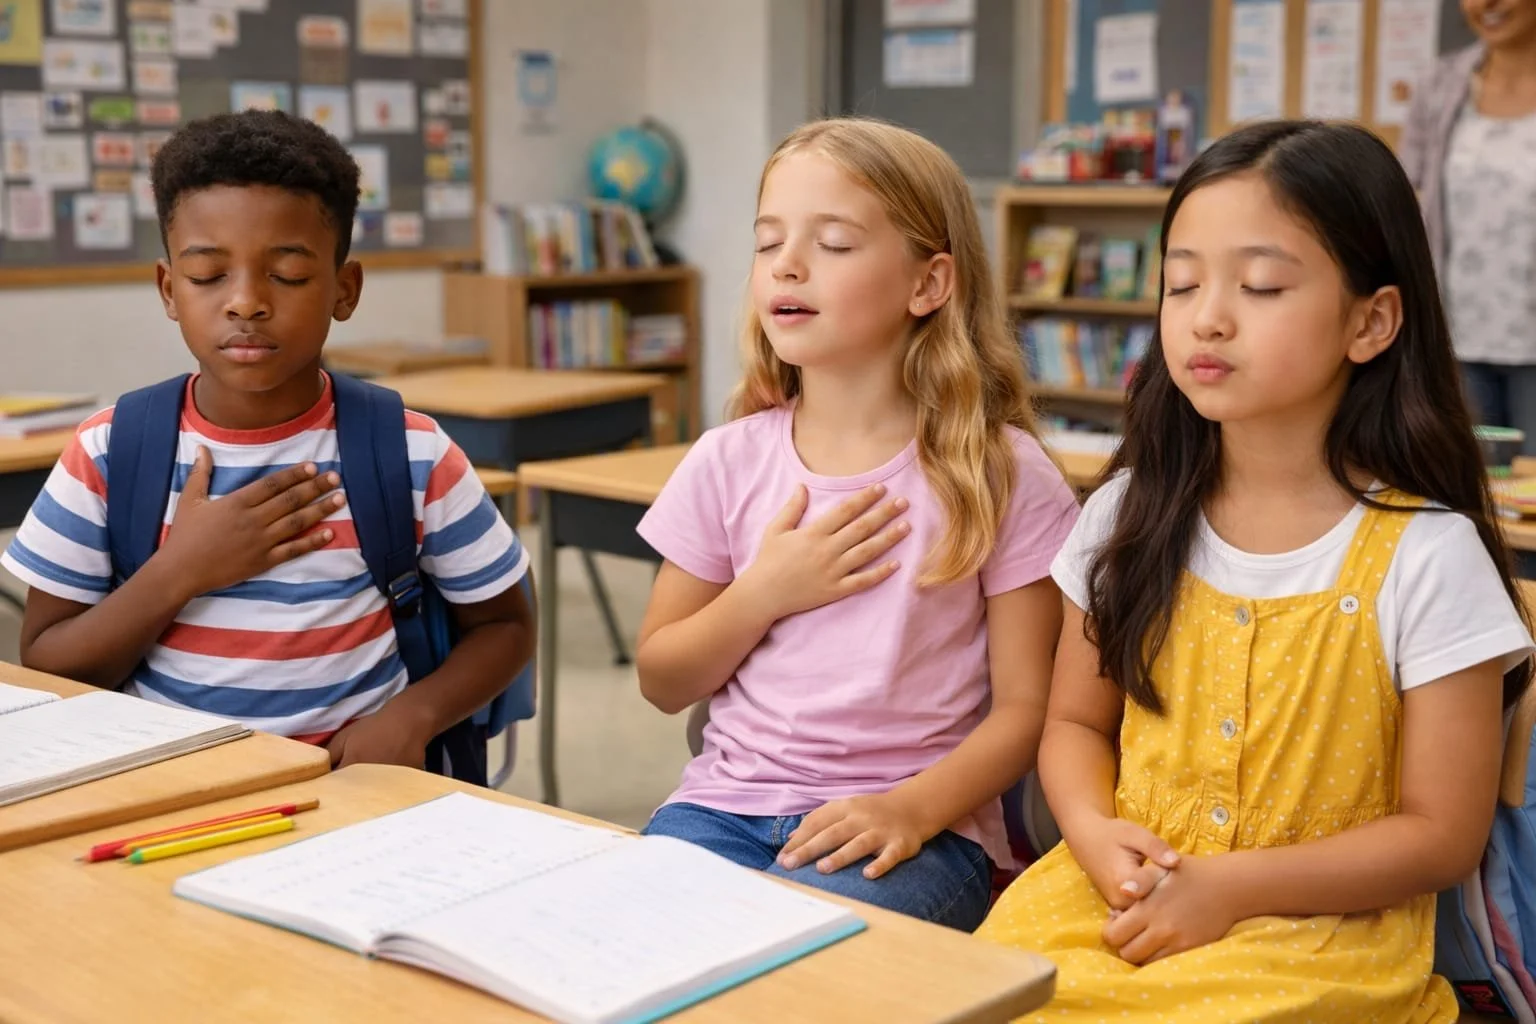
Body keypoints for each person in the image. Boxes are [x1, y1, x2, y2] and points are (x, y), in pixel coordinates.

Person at [978, 119, 1534, 1021]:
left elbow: (1442, 834)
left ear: (1372, 321)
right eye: (1182, 282)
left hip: (1318, 934)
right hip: (1118, 901)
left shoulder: (1426, 555)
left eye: (1262, 284)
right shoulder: (1129, 513)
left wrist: (1230, 889)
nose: (1208, 315)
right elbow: (1075, 723)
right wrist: (1092, 831)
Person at [629, 117, 1078, 932]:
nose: (788, 265)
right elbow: (662, 680)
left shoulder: (1002, 473)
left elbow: (1028, 709)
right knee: (629, 946)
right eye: (769, 244)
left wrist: (910, 811)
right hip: (723, 808)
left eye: (833, 243)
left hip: (921, 830)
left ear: (928, 284)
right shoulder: (726, 460)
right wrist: (763, 592)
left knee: (799, 974)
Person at [1, 111, 533, 769]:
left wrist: (410, 719)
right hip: (168, 788)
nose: (246, 302)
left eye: (286, 275)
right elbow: (49, 661)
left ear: (345, 289)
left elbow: (506, 625)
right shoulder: (108, 452)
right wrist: (181, 569)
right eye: (207, 275)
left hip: (355, 787)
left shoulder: (411, 452)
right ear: (169, 290)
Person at [1399, 0, 1536, 449]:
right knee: (1472, 494)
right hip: (1458, 341)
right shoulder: (1441, 84)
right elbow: (1405, 197)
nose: (1486, 4)